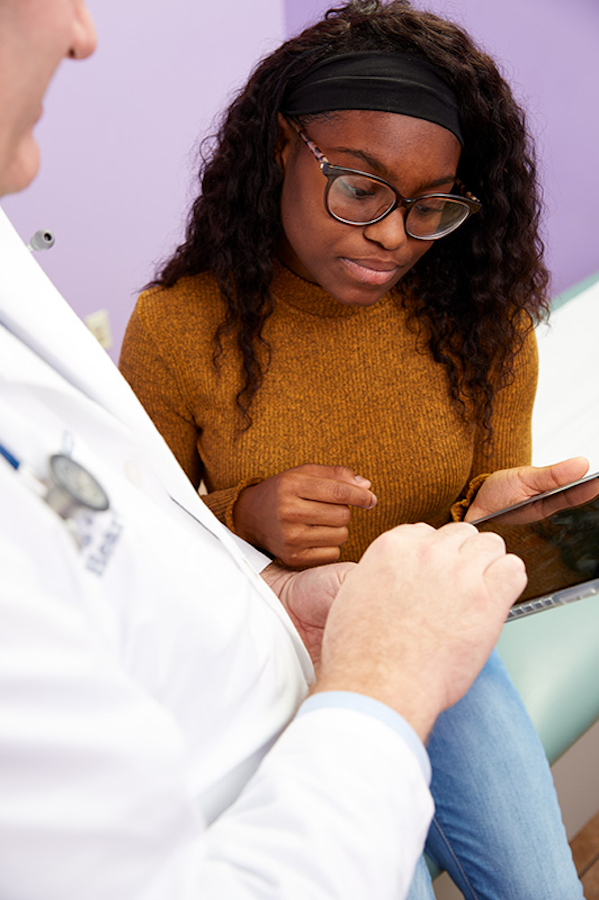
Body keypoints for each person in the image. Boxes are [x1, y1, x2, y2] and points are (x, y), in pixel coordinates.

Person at [0, 2, 552, 899]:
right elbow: (146, 525)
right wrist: (245, 511)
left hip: (434, 642)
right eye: (361, 189)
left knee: (539, 887)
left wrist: (493, 525)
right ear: (280, 149)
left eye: (426, 208)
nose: (390, 236)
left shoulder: (484, 326)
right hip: (274, 646)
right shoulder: (180, 327)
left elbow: (476, 512)